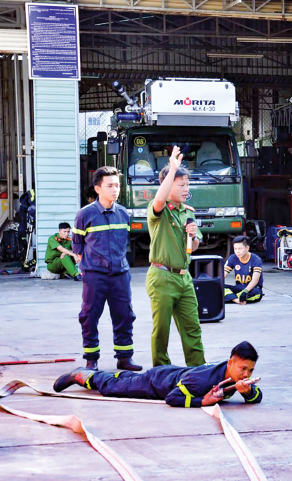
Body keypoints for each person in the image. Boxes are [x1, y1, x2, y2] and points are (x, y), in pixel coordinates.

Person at [72, 166, 140, 371]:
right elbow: (78, 246)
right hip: (95, 276)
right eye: (110, 185)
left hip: (120, 274)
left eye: (117, 185)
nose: (115, 189)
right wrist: (88, 267)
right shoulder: (85, 214)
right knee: (89, 316)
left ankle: (124, 358)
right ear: (98, 188)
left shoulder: (123, 214)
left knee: (125, 315)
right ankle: (91, 359)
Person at [54, 341, 263, 408]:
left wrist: (247, 393)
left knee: (125, 380)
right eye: (242, 369)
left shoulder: (236, 377)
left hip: (170, 374)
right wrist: (203, 401)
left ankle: (107, 375)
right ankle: (82, 374)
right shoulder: (202, 380)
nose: (246, 374)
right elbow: (172, 398)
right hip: (157, 383)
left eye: (250, 370)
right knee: (111, 388)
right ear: (230, 363)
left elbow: (257, 397)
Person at [146, 147, 206, 368]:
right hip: (162, 277)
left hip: (184, 278)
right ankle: (161, 371)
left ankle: (199, 370)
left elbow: (196, 245)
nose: (185, 189)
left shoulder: (188, 211)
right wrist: (172, 169)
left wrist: (193, 235)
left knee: (193, 328)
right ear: (168, 185)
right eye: (181, 185)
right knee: (161, 330)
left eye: (187, 184)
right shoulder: (159, 210)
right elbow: (159, 199)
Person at [223, 236, 263, 304]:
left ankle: (231, 297)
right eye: (235, 249)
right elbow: (223, 274)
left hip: (252, 289)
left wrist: (245, 291)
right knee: (218, 288)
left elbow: (255, 280)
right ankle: (237, 300)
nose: (237, 251)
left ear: (247, 248)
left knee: (256, 293)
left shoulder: (256, 260)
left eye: (240, 249)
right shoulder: (233, 258)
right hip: (238, 288)